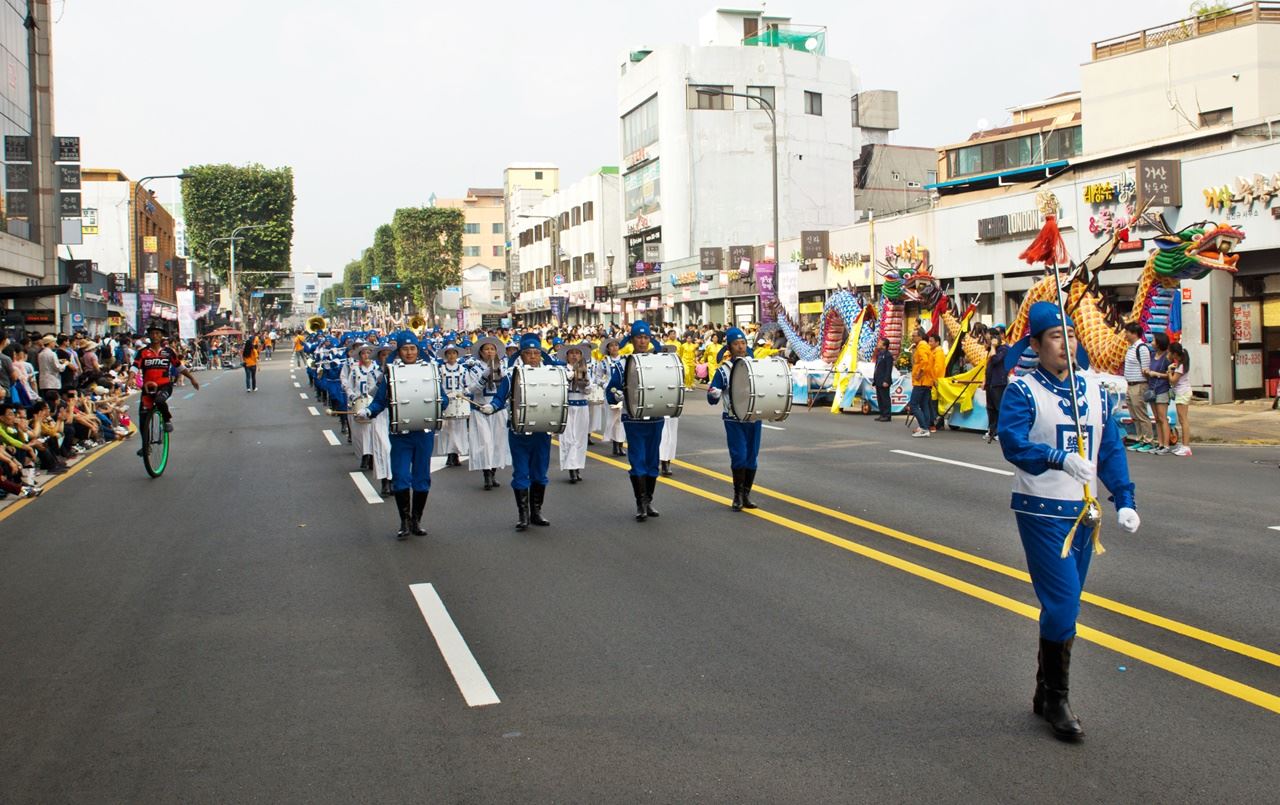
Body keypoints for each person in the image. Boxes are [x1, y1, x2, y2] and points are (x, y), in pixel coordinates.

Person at [998, 301, 1139, 741]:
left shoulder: (1095, 391)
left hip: (1084, 515)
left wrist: (1125, 497)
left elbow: (1110, 448)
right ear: (1036, 344)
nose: (1066, 344)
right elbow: (1013, 443)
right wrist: (1057, 457)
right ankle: (1058, 699)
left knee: (1066, 605)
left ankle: (1045, 691)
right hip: (1041, 511)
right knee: (1063, 606)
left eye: (1071, 335)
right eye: (1056, 336)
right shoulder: (1023, 392)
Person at [357, 332, 441, 541]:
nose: (409, 352)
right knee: (401, 476)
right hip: (400, 434)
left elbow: (443, 398)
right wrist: (368, 411)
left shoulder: (430, 370)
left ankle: (416, 520)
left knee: (422, 478)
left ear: (418, 350)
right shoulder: (391, 373)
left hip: (423, 433)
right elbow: (380, 401)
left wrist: (438, 404)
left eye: (412, 349)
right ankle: (404, 521)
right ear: (399, 351)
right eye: (405, 349)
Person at [490, 333, 556, 530]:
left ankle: (536, 512)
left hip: (542, 430)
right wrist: (491, 407)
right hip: (519, 431)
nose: (533, 357)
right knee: (521, 472)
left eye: (536, 353)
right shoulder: (512, 374)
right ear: (521, 355)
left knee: (540, 472)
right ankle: (523, 515)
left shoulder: (550, 373)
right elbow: (500, 397)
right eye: (528, 353)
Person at [606, 321, 665, 522]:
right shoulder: (623, 364)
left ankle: (648, 500)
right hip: (633, 418)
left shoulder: (659, 362)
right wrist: (616, 395)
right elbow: (611, 390)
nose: (642, 341)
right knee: (638, 459)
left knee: (653, 460)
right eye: (639, 337)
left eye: (646, 337)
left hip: (655, 417)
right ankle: (640, 503)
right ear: (632, 340)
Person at [707, 327, 763, 511]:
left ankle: (746, 494)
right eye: (736, 344)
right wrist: (714, 393)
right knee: (739, 455)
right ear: (729, 347)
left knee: (752, 457)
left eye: (743, 343)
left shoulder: (756, 366)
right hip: (733, 419)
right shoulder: (724, 370)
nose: (741, 347)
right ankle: (737, 495)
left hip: (754, 418)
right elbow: (711, 398)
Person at [132, 324, 200, 454]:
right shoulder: (142, 352)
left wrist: (192, 379)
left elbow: (179, 366)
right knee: (143, 418)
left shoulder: (168, 352)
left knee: (159, 400)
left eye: (157, 333)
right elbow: (135, 366)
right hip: (148, 388)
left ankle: (167, 419)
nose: (155, 336)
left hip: (164, 386)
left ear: (162, 336)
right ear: (149, 335)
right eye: (152, 333)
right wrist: (131, 377)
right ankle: (146, 446)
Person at [465, 337, 512, 490]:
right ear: (481, 352)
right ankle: (486, 474)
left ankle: (493, 472)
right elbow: (470, 390)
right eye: (486, 349)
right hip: (481, 409)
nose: (490, 352)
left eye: (492, 349)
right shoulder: (473, 369)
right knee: (484, 443)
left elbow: (508, 388)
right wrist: (483, 377)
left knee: (498, 443)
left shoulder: (503, 368)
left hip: (498, 409)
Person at [558, 340, 596, 483]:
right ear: (567, 356)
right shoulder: (562, 370)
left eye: (577, 353)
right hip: (567, 406)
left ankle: (577, 466)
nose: (574, 356)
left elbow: (588, 390)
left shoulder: (585, 370)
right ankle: (570, 467)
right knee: (567, 437)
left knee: (580, 438)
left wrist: (586, 384)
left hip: (581, 406)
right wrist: (569, 377)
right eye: (572, 353)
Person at [1121, 323, 1155, 453]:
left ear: (1134, 333)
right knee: (1134, 415)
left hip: (1139, 385)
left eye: (1127, 332)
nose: (1125, 335)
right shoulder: (1131, 348)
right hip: (1130, 385)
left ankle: (1148, 440)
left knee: (1141, 414)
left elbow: (1145, 368)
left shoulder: (1141, 348)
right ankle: (1140, 439)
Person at [437, 341, 470, 468]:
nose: (451, 356)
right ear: (446, 355)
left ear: (457, 355)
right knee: (447, 428)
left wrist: (466, 394)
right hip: (446, 400)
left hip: (459, 401)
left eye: (454, 353)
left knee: (459, 428)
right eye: (449, 353)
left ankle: (456, 453)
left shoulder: (463, 369)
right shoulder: (441, 369)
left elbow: (467, 386)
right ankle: (450, 454)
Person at [596, 337, 627, 456]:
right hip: (610, 393)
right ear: (608, 349)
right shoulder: (604, 362)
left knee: (621, 419)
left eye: (616, 345)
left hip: (623, 392)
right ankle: (615, 445)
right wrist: (606, 385)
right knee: (612, 419)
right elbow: (597, 377)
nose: (614, 347)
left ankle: (620, 444)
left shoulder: (625, 360)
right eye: (611, 346)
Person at [1145, 332, 1172, 455]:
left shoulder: (1167, 357)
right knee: (1156, 418)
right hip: (1152, 389)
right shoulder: (1152, 355)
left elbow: (1170, 375)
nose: (1152, 343)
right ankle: (1160, 443)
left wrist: (1157, 374)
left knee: (1162, 418)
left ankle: (1166, 445)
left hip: (1162, 389)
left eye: (1154, 340)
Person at [908, 328, 936, 437]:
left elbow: (925, 362)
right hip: (926, 381)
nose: (912, 338)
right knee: (924, 405)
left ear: (920, 336)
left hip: (921, 381)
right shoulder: (924, 346)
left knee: (914, 404)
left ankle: (924, 428)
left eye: (914, 336)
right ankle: (925, 426)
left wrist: (920, 373)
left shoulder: (922, 346)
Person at [983, 328, 1009, 443]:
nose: (987, 341)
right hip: (990, 382)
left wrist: (993, 347)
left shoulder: (1004, 349)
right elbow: (988, 365)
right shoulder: (991, 349)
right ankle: (992, 430)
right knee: (990, 408)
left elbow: (995, 360)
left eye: (989, 338)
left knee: (998, 408)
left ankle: (999, 431)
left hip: (999, 382)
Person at [1167, 342, 1193, 457]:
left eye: (1170, 352)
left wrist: (1169, 371)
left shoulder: (1181, 366)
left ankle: (1186, 447)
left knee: (1183, 420)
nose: (1169, 354)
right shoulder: (1181, 363)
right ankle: (1184, 445)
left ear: (1174, 354)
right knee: (1182, 420)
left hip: (1182, 393)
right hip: (1183, 392)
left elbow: (1173, 380)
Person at [872, 337, 894, 421]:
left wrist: (886, 380)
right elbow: (877, 367)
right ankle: (882, 414)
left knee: (885, 398)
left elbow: (889, 369)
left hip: (884, 380)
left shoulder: (888, 355)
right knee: (880, 398)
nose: (878, 344)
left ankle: (887, 415)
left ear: (884, 345)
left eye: (880, 343)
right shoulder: (879, 354)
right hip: (878, 379)